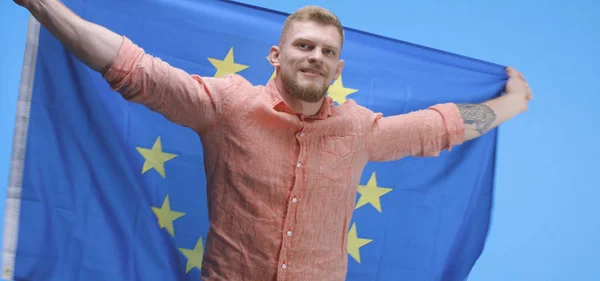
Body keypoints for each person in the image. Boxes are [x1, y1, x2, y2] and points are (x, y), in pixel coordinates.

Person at [15, 0, 533, 280]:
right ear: (275, 55)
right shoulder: (225, 105)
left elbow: (439, 127)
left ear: (338, 67)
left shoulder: (359, 130)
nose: (315, 57)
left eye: (327, 51)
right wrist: (43, 6)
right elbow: (134, 69)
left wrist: (509, 105)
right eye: (304, 45)